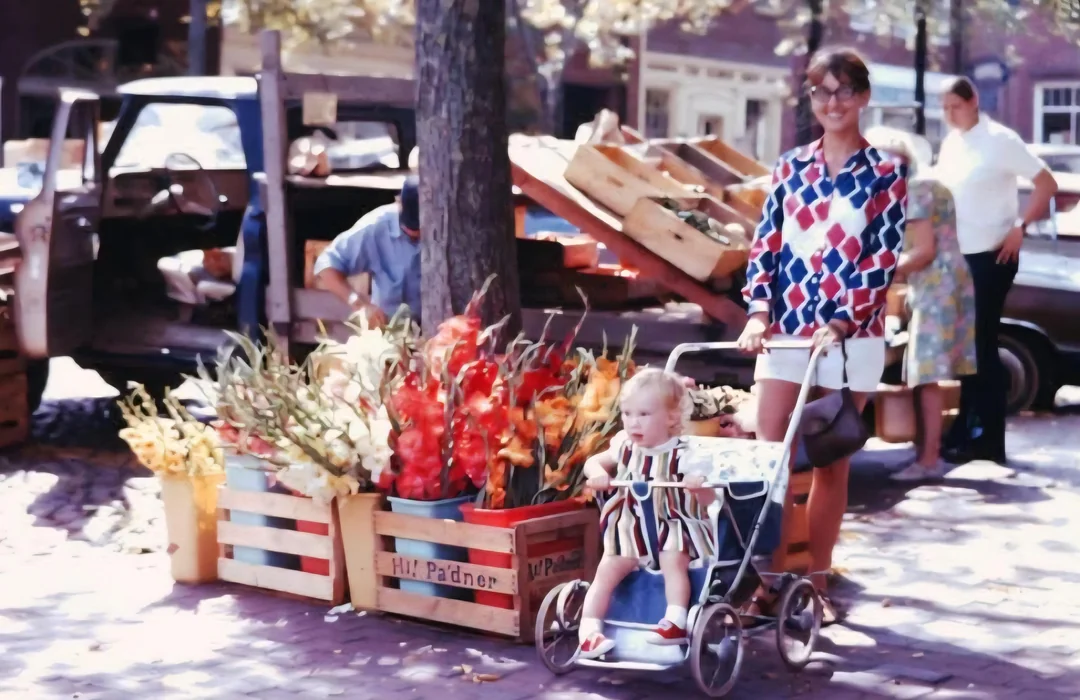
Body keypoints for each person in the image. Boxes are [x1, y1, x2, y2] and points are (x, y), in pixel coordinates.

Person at [737, 47, 908, 623]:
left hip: (851, 338)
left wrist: (841, 321)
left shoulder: (886, 173)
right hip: (786, 332)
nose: (833, 103)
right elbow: (766, 245)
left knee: (833, 461)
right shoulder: (789, 168)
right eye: (821, 92)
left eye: (844, 90)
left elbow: (881, 258)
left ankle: (816, 584)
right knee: (772, 459)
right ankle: (770, 580)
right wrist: (758, 312)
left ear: (863, 96)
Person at [935, 77, 1058, 464]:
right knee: (966, 347)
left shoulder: (1000, 140)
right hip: (958, 255)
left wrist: (1021, 227)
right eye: (944, 108)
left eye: (955, 106)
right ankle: (967, 430)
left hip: (992, 255)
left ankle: (987, 438)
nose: (949, 114)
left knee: (981, 344)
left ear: (973, 100)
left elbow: (1046, 183)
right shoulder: (952, 143)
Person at [864, 127, 977, 482]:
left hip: (936, 287)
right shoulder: (923, 184)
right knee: (922, 374)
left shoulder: (915, 189)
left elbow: (923, 251)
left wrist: (878, 274)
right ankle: (925, 454)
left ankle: (928, 459)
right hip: (944, 284)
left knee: (925, 375)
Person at [577, 369, 715, 659]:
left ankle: (675, 620)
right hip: (632, 522)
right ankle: (589, 631)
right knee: (607, 569)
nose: (633, 422)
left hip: (673, 521)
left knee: (673, 561)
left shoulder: (686, 454)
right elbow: (593, 462)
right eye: (627, 413)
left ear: (671, 418)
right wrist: (598, 473)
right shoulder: (624, 446)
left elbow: (710, 499)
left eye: (643, 414)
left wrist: (698, 486)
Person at [313, 176, 422, 327]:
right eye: (408, 229)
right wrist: (359, 303)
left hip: (440, 330)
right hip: (389, 329)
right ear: (399, 204)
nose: (413, 234)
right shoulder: (377, 225)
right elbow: (326, 264)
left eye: (419, 232)